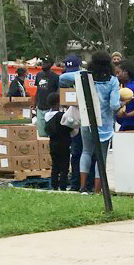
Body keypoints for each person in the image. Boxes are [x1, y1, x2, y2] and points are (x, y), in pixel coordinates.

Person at [78, 52, 121, 193]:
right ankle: (97, 190)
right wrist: (123, 103)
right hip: (105, 123)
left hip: (87, 121)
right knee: (101, 157)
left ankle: (83, 186)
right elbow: (114, 105)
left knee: (86, 152)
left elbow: (64, 78)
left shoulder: (85, 78)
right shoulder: (112, 81)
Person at [42, 90, 74, 191]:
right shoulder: (61, 116)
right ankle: (63, 185)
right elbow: (70, 126)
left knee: (55, 165)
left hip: (53, 143)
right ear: (58, 102)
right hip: (64, 143)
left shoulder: (47, 116)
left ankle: (54, 185)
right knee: (64, 165)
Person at [60, 53, 83, 183]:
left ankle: (79, 180)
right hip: (73, 120)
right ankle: (75, 180)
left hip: (82, 120)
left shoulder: (83, 78)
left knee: (78, 152)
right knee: (75, 152)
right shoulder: (64, 82)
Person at [33, 56, 59, 136]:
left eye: (46, 62)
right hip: (40, 108)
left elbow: (58, 92)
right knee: (41, 134)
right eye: (43, 62)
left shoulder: (55, 77)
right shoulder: (39, 75)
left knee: (51, 134)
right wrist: (35, 103)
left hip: (50, 109)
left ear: (51, 64)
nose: (43, 64)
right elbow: (38, 90)